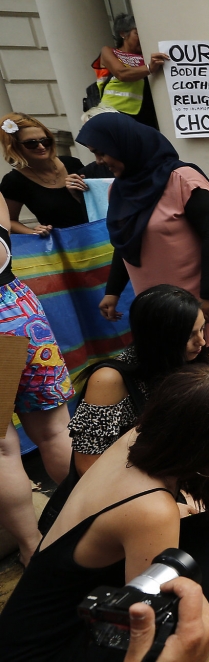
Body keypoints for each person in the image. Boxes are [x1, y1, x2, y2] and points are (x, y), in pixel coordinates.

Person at [0, 367, 209, 661]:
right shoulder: (152, 509)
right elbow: (148, 624)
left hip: (63, 599)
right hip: (49, 644)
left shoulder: (149, 437)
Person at [76, 113, 209, 344]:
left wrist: (208, 294)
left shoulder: (183, 179)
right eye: (94, 153)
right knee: (169, 362)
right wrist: (112, 291)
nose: (98, 161)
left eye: (102, 152)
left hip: (201, 296)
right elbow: (125, 242)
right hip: (157, 301)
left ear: (126, 145)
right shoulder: (118, 190)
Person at [0, 192, 73, 567]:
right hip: (15, 310)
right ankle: (90, 515)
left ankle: (32, 547)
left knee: (2, 447)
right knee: (54, 431)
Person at [68, 285, 208, 476]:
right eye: (189, 335)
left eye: (202, 329)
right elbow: (88, 466)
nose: (201, 341)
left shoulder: (196, 359)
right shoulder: (110, 380)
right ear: (159, 337)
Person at [0, 113, 89, 234]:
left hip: (97, 235)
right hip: (61, 246)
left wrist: (78, 195)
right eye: (31, 143)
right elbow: (8, 220)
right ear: (15, 147)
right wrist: (32, 232)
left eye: (45, 141)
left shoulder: (72, 164)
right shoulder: (14, 181)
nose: (41, 146)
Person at [85, 13, 166, 129]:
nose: (142, 37)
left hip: (145, 114)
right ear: (123, 34)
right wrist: (149, 68)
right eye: (137, 33)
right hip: (114, 112)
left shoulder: (147, 56)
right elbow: (121, 73)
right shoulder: (109, 52)